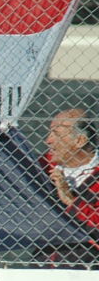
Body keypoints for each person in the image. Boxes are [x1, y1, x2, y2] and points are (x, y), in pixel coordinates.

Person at [37, 108, 99, 265]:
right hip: (45, 259)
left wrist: (71, 201)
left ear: (80, 141)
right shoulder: (41, 166)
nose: (48, 140)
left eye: (56, 134)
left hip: (90, 261)